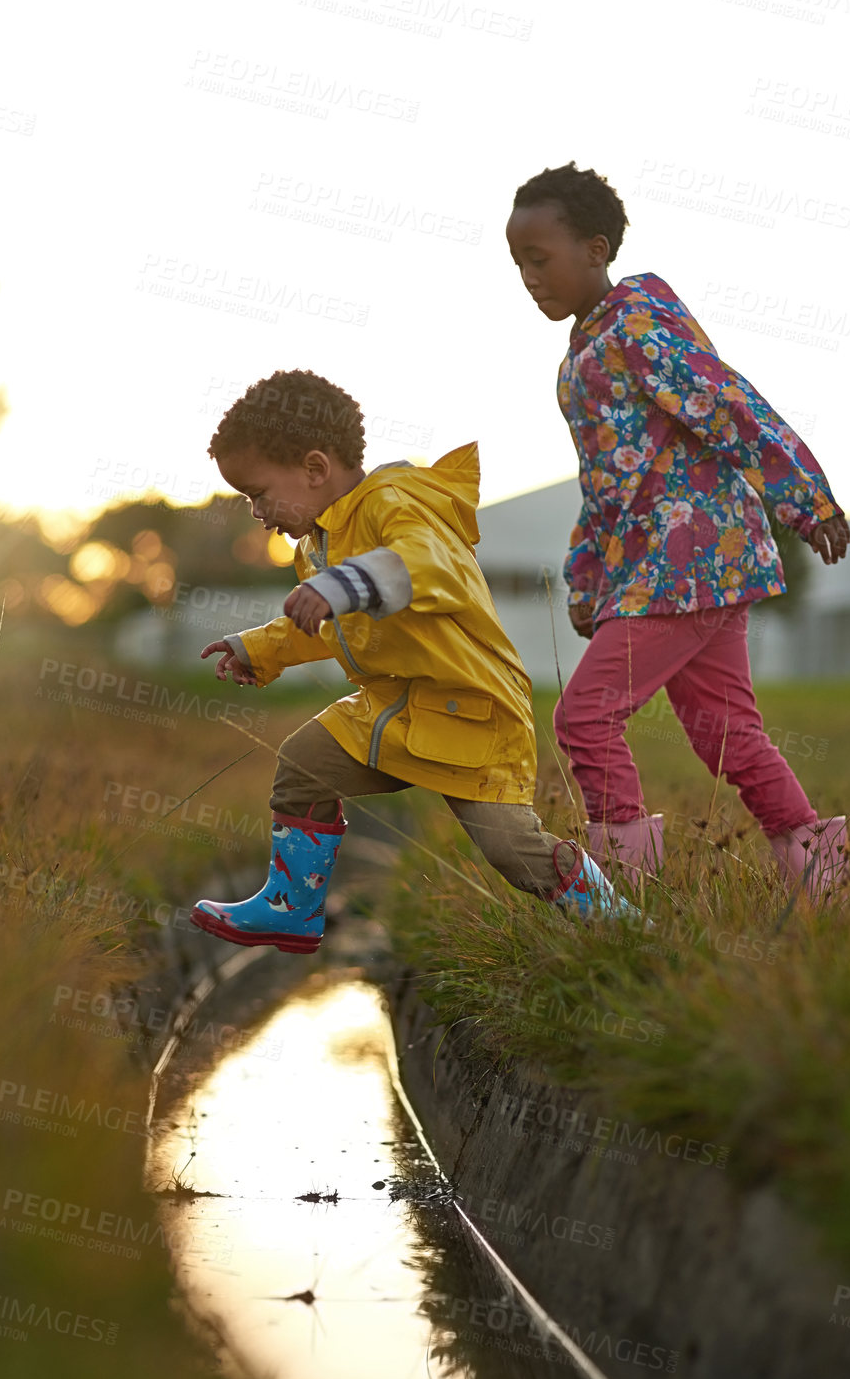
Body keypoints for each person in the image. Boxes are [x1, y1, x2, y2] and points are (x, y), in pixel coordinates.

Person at [191, 368, 638, 953]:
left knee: (512, 849)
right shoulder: (319, 542)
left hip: (470, 711)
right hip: (394, 709)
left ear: (315, 468)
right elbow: (331, 626)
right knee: (305, 762)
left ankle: (627, 928)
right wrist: (259, 647)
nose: (254, 512)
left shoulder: (394, 504)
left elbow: (421, 565)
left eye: (256, 493)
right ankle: (291, 907)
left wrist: (343, 583)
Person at [505, 162, 850, 900]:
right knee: (726, 732)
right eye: (518, 265)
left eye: (540, 259)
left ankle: (621, 902)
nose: (529, 278)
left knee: (584, 717)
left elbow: (726, 404)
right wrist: (588, 577)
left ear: (595, 249)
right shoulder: (580, 359)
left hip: (691, 564)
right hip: (677, 572)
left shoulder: (637, 325)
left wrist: (804, 495)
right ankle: (816, 873)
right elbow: (607, 483)